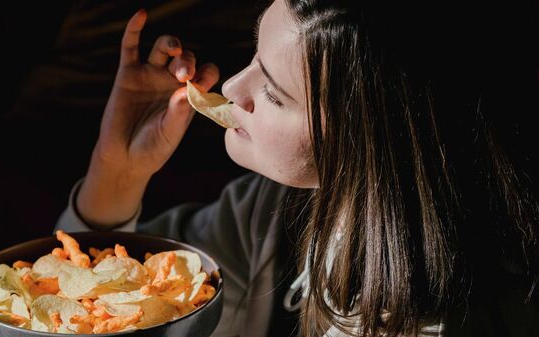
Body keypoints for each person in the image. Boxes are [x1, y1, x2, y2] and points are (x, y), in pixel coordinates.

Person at [56, 0, 539, 336]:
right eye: (253, 56)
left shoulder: (447, 317)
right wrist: (117, 173)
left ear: (369, 140)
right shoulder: (268, 208)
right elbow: (79, 315)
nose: (235, 87)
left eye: (272, 92)